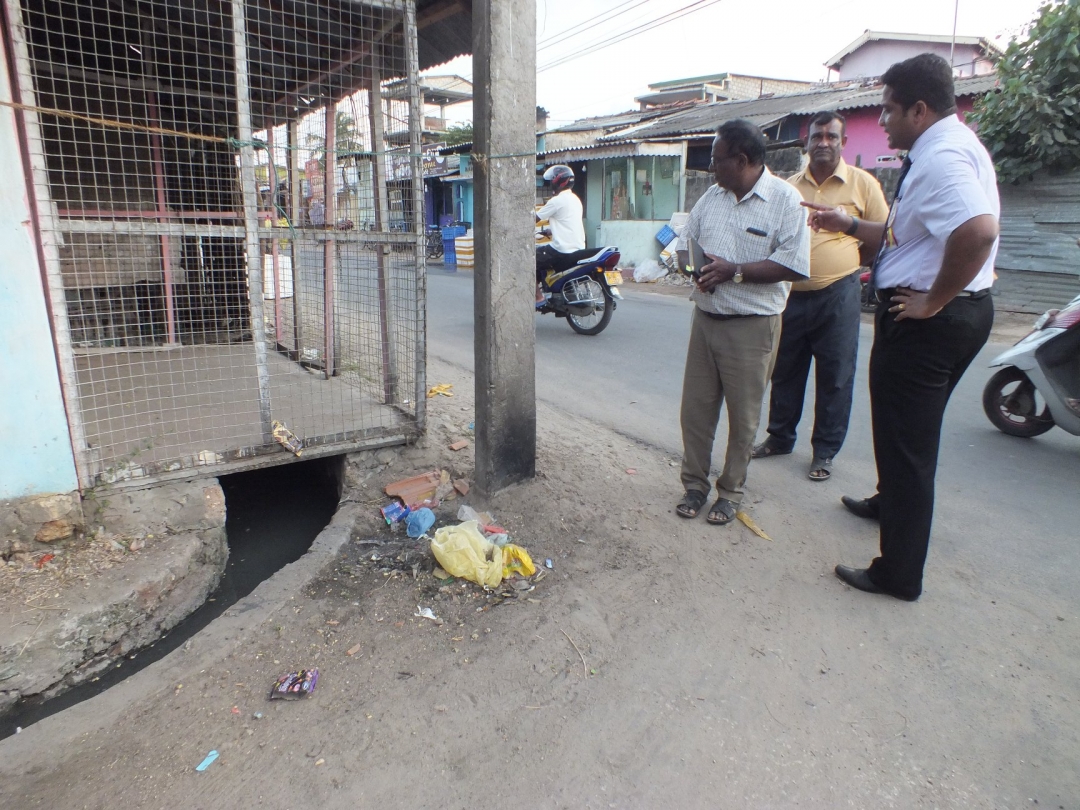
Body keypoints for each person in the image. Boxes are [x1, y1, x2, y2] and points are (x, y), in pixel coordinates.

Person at [803, 54, 998, 601]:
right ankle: (888, 504)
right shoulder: (948, 147)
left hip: (930, 322)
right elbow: (911, 235)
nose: (882, 120)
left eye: (888, 110)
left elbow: (978, 232)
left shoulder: (941, 159)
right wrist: (849, 224)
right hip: (951, 314)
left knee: (909, 445)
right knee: (898, 428)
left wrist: (933, 302)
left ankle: (898, 574)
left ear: (919, 108)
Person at [674, 119, 811, 525]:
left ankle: (730, 491)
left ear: (742, 160)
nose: (712, 167)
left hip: (753, 325)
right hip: (706, 319)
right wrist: (693, 270)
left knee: (744, 416)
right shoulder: (711, 198)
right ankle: (694, 486)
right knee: (695, 412)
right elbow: (684, 244)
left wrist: (734, 271)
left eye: (717, 159)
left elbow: (794, 265)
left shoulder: (787, 201)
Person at [752, 111, 889, 481]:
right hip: (790, 294)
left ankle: (824, 452)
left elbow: (885, 234)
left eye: (831, 136)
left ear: (844, 143)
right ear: (807, 142)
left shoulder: (863, 185)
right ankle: (779, 437)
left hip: (839, 293)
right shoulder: (789, 187)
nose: (823, 142)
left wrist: (853, 260)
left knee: (836, 375)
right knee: (785, 370)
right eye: (817, 136)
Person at [534, 165, 590, 305]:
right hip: (578, 248)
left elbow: (533, 218)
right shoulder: (576, 199)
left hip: (562, 250)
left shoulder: (556, 201)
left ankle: (538, 297)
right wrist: (550, 231)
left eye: (552, 180)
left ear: (558, 181)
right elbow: (567, 223)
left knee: (529, 260)